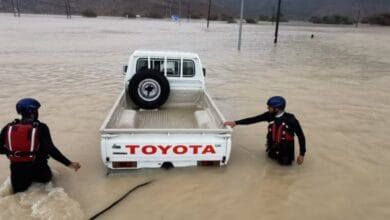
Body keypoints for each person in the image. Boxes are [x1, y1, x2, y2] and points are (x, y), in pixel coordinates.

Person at [0, 98, 81, 193]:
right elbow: (51, 149)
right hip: (39, 169)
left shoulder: (8, 128)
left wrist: (17, 152)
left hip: (17, 172)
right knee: (48, 188)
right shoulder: (41, 127)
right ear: (33, 112)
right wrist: (69, 163)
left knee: (18, 195)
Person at [224, 96, 306, 165]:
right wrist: (236, 123)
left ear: (276, 109)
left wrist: (302, 154)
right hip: (272, 148)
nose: (267, 108)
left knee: (284, 171)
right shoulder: (269, 115)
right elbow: (253, 119)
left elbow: (301, 137)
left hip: (286, 152)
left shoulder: (291, 120)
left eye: (269, 107)